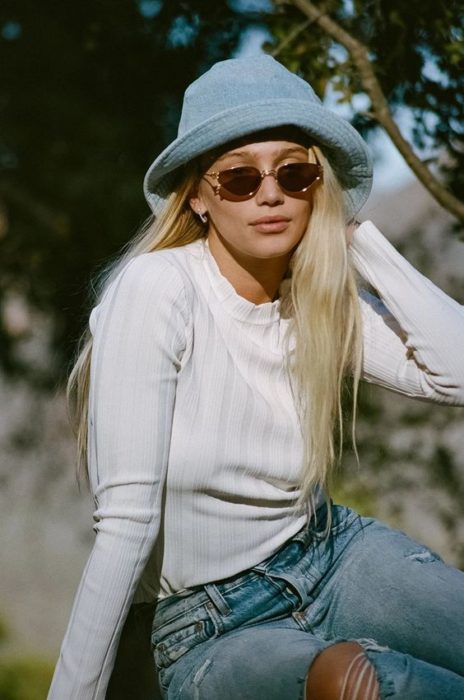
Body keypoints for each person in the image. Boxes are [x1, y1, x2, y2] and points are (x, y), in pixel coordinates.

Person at [48, 56, 464, 700]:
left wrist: (359, 240)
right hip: (211, 622)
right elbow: (125, 523)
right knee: (362, 683)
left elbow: (456, 375)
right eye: (239, 178)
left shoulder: (317, 297)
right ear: (199, 195)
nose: (270, 194)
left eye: (295, 173)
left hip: (335, 554)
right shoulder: (160, 288)